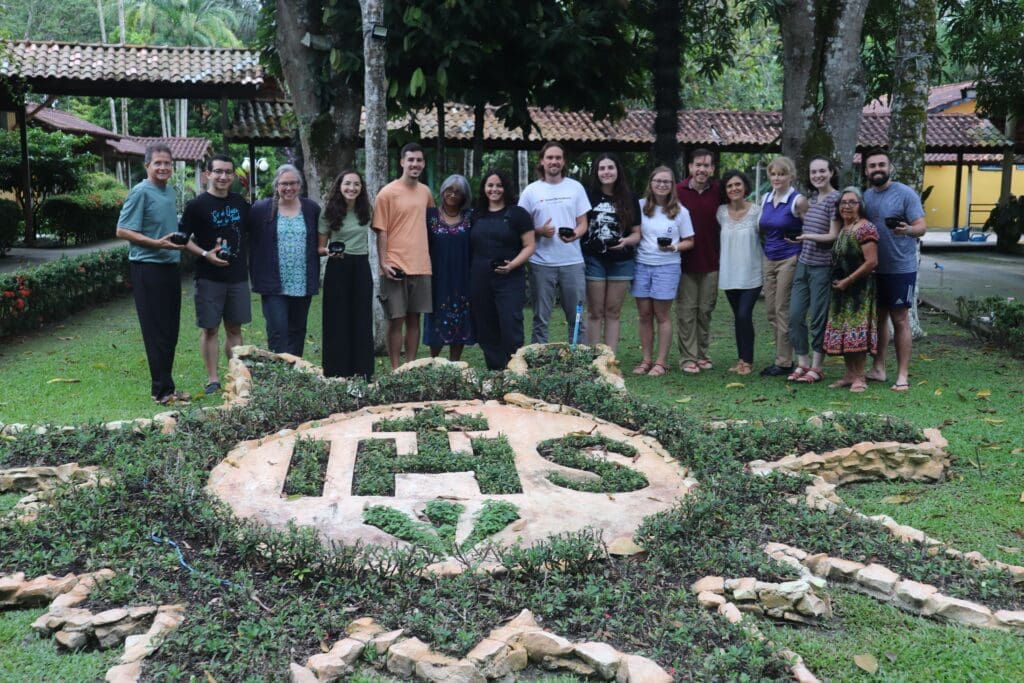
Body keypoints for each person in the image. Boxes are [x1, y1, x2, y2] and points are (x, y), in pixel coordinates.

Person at [115, 142, 188, 404]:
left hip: (170, 266)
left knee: (170, 330)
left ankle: (167, 387)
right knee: (156, 330)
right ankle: (161, 391)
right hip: (147, 267)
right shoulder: (140, 192)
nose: (163, 167)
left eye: (167, 163)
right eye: (158, 163)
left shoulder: (169, 192)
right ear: (147, 166)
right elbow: (122, 230)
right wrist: (157, 243)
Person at [179, 154, 251, 396]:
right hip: (208, 277)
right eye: (218, 171)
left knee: (234, 328)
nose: (223, 176)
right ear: (207, 174)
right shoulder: (196, 206)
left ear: (233, 176)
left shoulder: (240, 203)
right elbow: (182, 239)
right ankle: (213, 379)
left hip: (238, 276)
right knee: (210, 329)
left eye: (228, 172)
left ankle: (237, 376)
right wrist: (205, 254)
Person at [861, 148, 927, 392]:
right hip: (874, 268)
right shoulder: (866, 196)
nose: (877, 169)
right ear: (866, 171)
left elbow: (922, 227)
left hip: (901, 267)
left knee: (900, 320)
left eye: (881, 165)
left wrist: (907, 230)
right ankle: (878, 368)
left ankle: (902, 375)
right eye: (872, 166)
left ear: (890, 168)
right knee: (879, 319)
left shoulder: (905, 194)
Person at [518, 141, 591, 344]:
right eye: (549, 157)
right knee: (541, 317)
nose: (554, 161)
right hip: (541, 263)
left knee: (576, 317)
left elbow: (583, 223)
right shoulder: (531, 191)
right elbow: (521, 227)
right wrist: (540, 231)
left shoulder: (575, 188)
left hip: (572, 262)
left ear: (563, 161)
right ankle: (538, 361)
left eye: (558, 158)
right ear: (542, 161)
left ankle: (579, 359)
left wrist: (575, 234)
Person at [373, 143, 435, 369]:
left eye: (419, 160)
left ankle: (410, 367)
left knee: (414, 319)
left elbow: (431, 225)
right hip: (395, 266)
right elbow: (381, 230)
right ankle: (395, 369)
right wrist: (383, 263)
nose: (415, 164)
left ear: (423, 163)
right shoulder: (387, 193)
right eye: (411, 160)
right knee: (395, 319)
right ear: (401, 162)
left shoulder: (426, 193)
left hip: (421, 265)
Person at [248, 164, 321, 357]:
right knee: (277, 329)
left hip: (302, 281)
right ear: (276, 185)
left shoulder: (311, 209)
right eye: (284, 184)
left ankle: (296, 369)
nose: (289, 188)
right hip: (273, 282)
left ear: (300, 185)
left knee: (298, 330)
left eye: (293, 183)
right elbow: (247, 234)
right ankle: (279, 373)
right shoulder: (261, 209)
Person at [469, 169, 536, 369]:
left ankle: (514, 369)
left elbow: (530, 245)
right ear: (484, 188)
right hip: (480, 280)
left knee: (510, 325)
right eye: (490, 185)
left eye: (499, 185)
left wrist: (513, 265)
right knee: (486, 327)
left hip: (510, 279)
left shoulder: (518, 214)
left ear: (506, 188)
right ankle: (495, 370)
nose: (494, 189)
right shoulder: (475, 214)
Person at [632, 166, 695, 377]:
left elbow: (689, 241)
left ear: (672, 186)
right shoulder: (640, 206)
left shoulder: (680, 211)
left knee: (662, 314)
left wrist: (674, 247)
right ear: (651, 183)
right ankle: (646, 360)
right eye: (657, 180)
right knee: (644, 315)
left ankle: (661, 362)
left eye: (666, 182)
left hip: (667, 266)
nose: (661, 185)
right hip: (642, 265)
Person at [788, 155, 840, 384]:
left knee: (819, 317)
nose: (818, 175)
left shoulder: (835, 200)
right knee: (795, 315)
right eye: (813, 172)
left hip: (823, 266)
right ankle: (802, 362)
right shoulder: (811, 199)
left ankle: (817, 366)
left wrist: (807, 236)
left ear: (831, 173)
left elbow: (833, 235)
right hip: (804, 264)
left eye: (822, 171)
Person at [318, 169, 374, 380]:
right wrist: (329, 251)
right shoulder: (329, 211)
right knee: (337, 319)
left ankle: (363, 371)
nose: (352, 188)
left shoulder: (366, 209)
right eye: (347, 184)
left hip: (361, 265)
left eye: (356, 184)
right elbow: (320, 248)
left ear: (361, 188)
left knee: (361, 318)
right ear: (339, 186)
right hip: (337, 266)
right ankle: (336, 371)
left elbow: (383, 230)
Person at [581, 152, 641, 351]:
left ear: (618, 171)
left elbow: (637, 233)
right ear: (596, 172)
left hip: (622, 260)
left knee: (613, 311)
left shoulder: (630, 197)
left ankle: (610, 359)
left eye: (610, 167)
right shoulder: (587, 196)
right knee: (595, 311)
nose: (606, 172)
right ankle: (594, 359)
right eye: (602, 168)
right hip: (593, 259)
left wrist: (625, 241)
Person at [824, 187, 880, 393]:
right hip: (842, 290)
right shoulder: (844, 228)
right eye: (843, 203)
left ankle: (860, 377)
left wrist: (848, 280)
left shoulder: (866, 228)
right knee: (845, 332)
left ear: (860, 206)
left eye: (852, 202)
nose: (846, 206)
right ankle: (849, 374)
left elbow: (872, 262)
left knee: (857, 333)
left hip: (859, 290)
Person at [758, 155, 808, 377]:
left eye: (782, 174)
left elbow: (811, 228)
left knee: (782, 309)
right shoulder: (766, 198)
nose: (777, 178)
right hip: (769, 257)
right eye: (773, 174)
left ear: (791, 176)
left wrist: (800, 241)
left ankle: (785, 361)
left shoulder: (797, 200)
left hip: (790, 258)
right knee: (770, 311)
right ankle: (783, 356)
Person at [675, 148, 721, 373]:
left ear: (712, 169)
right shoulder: (677, 192)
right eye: (698, 165)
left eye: (706, 165)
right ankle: (687, 358)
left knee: (705, 311)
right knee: (686, 312)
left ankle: (703, 354)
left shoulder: (719, 192)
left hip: (711, 262)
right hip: (684, 262)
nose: (702, 169)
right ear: (690, 167)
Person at [424, 174, 475, 360]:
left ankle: (455, 364)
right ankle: (434, 362)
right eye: (449, 190)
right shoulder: (429, 216)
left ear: (464, 196)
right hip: (437, 277)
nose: (453, 195)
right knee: (436, 319)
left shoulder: (470, 217)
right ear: (443, 191)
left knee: (461, 318)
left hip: (463, 277)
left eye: (458, 192)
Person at [716, 170, 762, 376]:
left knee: (744, 314)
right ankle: (741, 359)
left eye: (738, 185)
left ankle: (749, 361)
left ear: (745, 187)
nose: (734, 189)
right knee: (738, 317)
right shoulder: (720, 212)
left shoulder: (757, 212)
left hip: (752, 273)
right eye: (729, 186)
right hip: (729, 273)